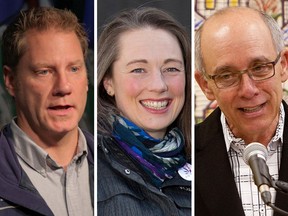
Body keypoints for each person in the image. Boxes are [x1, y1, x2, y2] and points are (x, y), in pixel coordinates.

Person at [97, 7, 191, 216]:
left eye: (171, 69)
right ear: (108, 82)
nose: (159, 85)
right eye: (139, 70)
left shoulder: (205, 161)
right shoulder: (89, 164)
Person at [195, 6, 288, 216]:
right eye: (226, 75)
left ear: (283, 65)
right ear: (206, 85)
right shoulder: (181, 154)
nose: (248, 90)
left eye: (259, 67)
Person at [0, 7, 93, 216]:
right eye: (44, 72)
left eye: (74, 69)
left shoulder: (121, 166)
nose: (64, 87)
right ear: (11, 81)